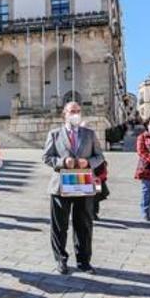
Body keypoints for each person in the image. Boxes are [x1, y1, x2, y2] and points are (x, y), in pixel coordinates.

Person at [42, 101, 105, 275]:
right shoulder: (54, 134)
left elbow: (100, 156)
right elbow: (46, 157)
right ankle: (61, 259)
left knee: (84, 225)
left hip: (83, 184)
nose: (75, 114)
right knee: (59, 226)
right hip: (61, 185)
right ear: (65, 114)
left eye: (78, 111)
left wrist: (89, 162)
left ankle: (84, 260)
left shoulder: (89, 134)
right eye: (72, 111)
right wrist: (62, 162)